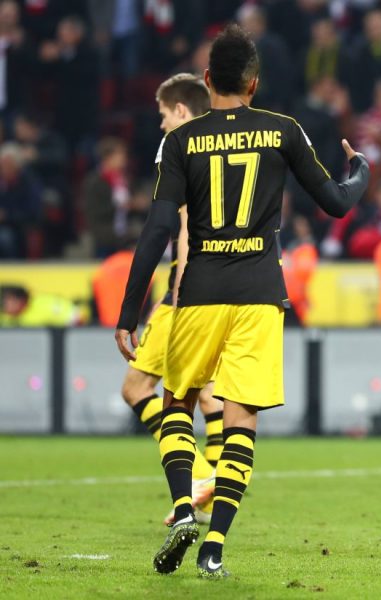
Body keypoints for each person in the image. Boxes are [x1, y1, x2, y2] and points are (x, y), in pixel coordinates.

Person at [114, 25, 369, 578]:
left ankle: (185, 508)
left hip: (199, 293)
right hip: (259, 295)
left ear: (207, 80)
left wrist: (128, 313)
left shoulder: (181, 142)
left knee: (178, 403)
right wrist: (360, 174)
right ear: (254, 83)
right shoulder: (283, 130)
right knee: (240, 419)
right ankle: (214, 548)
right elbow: (335, 203)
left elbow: (157, 231)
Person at [116, 73, 224, 528]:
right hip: (229, 289)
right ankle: (212, 489)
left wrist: (176, 292)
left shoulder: (179, 145)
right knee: (207, 394)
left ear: (180, 110)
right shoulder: (225, 141)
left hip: (186, 292)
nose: (161, 125)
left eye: (163, 115)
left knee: (138, 388)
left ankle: (199, 475)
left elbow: (179, 227)